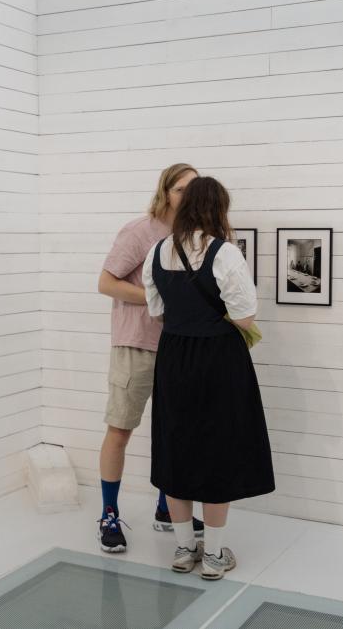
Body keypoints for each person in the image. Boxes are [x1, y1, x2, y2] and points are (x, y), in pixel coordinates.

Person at [142, 176, 275, 581]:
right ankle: (215, 555)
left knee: (177, 444)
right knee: (220, 447)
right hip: (219, 358)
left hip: (175, 356)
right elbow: (244, 317)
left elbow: (156, 310)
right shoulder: (226, 253)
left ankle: (184, 549)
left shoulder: (157, 251)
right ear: (218, 208)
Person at [96, 163, 205, 553]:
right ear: (165, 192)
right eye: (180, 188)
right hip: (136, 345)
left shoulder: (194, 238)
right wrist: (157, 298)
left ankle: (166, 508)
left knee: (173, 432)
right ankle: (109, 514)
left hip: (178, 347)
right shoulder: (140, 231)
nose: (186, 195)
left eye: (193, 188)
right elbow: (105, 282)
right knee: (121, 429)